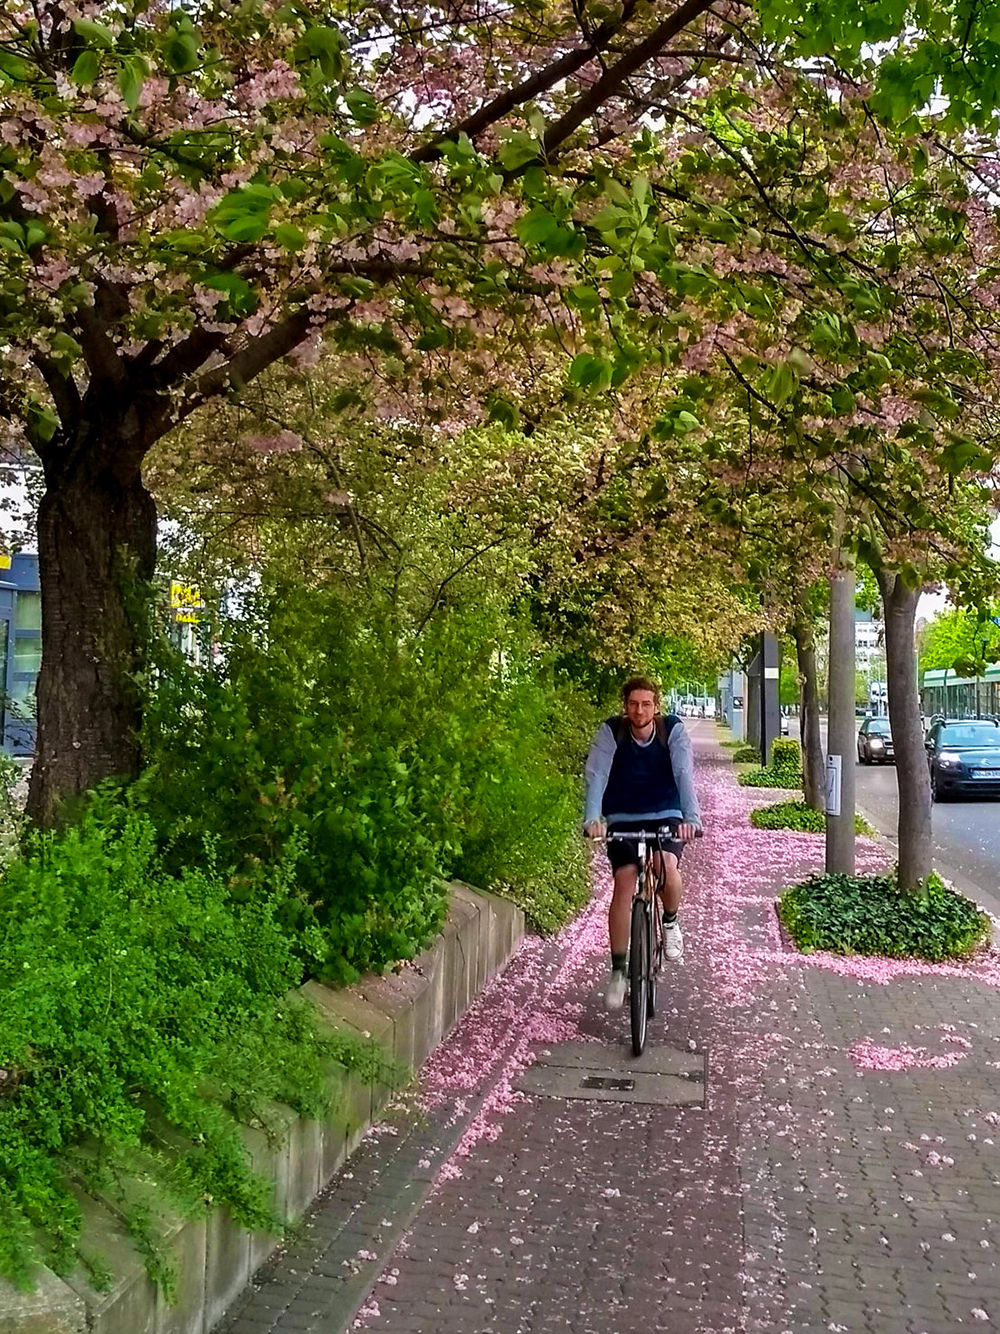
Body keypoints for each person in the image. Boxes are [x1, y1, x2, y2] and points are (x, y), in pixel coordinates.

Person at [583, 676, 702, 1012]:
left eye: (646, 704)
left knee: (666, 866)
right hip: (623, 816)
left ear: (656, 706)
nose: (639, 710)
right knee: (624, 884)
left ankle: (671, 922)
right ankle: (619, 972)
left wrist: (692, 819)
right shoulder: (612, 732)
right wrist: (593, 818)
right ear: (625, 706)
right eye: (633, 704)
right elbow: (597, 775)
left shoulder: (671, 731)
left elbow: (683, 774)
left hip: (666, 812)